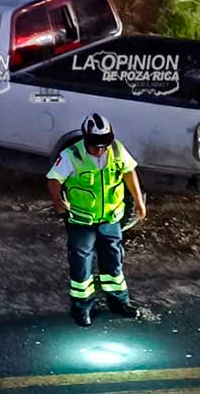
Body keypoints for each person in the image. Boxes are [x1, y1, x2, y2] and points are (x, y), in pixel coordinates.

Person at [46, 113, 147, 327]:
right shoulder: (72, 155)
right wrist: (58, 201)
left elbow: (129, 172)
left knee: (114, 261)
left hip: (110, 218)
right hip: (81, 220)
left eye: (104, 145)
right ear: (86, 138)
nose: (100, 150)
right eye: (95, 145)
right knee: (82, 265)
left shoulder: (117, 149)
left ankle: (119, 302)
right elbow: (54, 179)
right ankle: (82, 307)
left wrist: (139, 201)